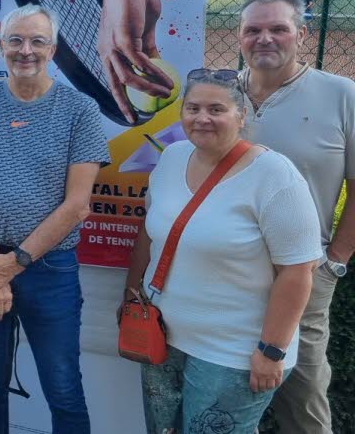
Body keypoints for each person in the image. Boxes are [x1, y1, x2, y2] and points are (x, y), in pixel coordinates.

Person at [124, 68, 319, 432]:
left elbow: (297, 271)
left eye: (216, 109)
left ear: (241, 116)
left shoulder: (275, 176)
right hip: (161, 337)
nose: (202, 118)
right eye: (193, 108)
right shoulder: (171, 159)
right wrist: (132, 294)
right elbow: (151, 234)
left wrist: (271, 351)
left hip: (234, 355)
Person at [0, 5, 110, 433]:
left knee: (63, 390)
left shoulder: (81, 110)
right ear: (1, 47)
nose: (26, 50)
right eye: (16, 40)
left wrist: (14, 263)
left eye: (37, 41)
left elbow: (77, 205)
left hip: (49, 269)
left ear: (52, 49)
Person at [236, 0, 355, 432]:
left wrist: (335, 261)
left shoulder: (342, 95)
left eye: (278, 28)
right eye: (254, 29)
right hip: (225, 269)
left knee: (302, 396)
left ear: (302, 34)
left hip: (304, 273)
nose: (265, 38)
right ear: (241, 37)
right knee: (220, 390)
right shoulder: (221, 95)